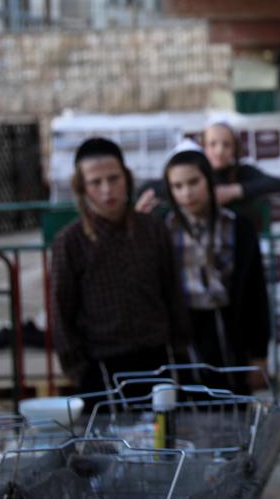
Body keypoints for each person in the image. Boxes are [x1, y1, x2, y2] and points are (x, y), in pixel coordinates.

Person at [50, 138, 190, 400]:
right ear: (82, 187)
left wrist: (180, 351)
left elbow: (173, 292)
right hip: (100, 367)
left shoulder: (152, 230)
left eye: (114, 179)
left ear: (126, 178)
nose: (107, 190)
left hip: (156, 360)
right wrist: (78, 369)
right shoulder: (70, 242)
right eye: (95, 182)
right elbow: (61, 310)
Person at [161, 144, 270, 393]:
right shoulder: (163, 229)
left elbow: (256, 291)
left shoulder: (237, 226)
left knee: (232, 398)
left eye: (193, 182)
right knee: (190, 401)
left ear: (208, 180)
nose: (187, 192)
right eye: (177, 186)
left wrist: (259, 353)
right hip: (185, 329)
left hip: (230, 326)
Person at [136, 122, 280, 230]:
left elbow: (277, 184)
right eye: (213, 144)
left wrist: (234, 191)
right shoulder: (192, 171)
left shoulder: (242, 172)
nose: (219, 151)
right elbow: (154, 188)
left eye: (226, 145)